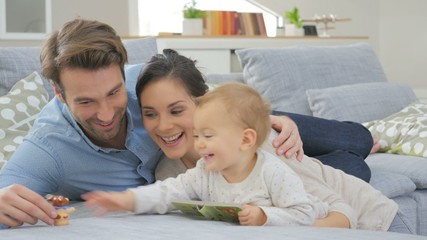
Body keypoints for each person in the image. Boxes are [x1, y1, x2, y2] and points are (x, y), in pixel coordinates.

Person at [0, 19, 309, 229]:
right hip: (214, 167)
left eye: (113, 93)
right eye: (86, 102)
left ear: (123, 74)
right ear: (59, 93)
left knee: (320, 137)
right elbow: (6, 191)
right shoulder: (48, 149)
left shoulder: (142, 82)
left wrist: (268, 118)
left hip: (233, 139)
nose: (107, 114)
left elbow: (202, 97)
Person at [133, 49, 412, 233]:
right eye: (150, 114)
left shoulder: (259, 151)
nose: (163, 125)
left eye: (176, 110)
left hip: (374, 222)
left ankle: (364, 141)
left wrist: (269, 219)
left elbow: (340, 212)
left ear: (205, 104)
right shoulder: (166, 171)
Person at [82, 82, 328, 226]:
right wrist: (126, 200)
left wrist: (264, 216)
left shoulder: (273, 172)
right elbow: (168, 192)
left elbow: (304, 213)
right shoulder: (203, 172)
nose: (199, 145)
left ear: (246, 140)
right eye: (197, 135)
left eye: (208, 137)